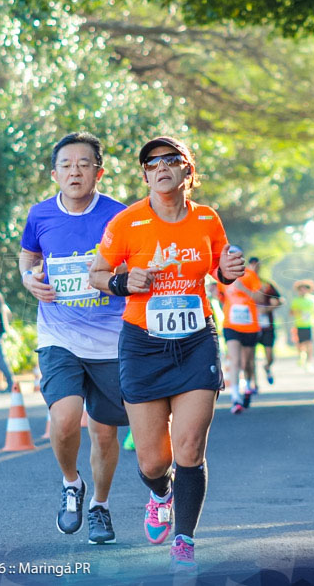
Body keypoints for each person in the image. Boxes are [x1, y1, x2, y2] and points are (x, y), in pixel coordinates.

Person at [90, 136, 244, 574]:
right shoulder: (127, 223)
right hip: (142, 343)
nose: (160, 167)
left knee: (190, 447)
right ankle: (161, 495)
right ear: (145, 175)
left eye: (171, 161)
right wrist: (124, 283)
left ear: (187, 172)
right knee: (153, 460)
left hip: (195, 340)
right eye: (151, 163)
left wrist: (230, 272)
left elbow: (221, 268)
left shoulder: (207, 220)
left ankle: (185, 538)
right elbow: (97, 274)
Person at [19, 132, 129, 545]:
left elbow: (135, 267)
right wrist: (29, 279)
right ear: (54, 173)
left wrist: (115, 283)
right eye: (66, 165)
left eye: (84, 164)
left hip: (111, 339)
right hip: (58, 334)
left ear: (99, 172)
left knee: (104, 433)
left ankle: (100, 505)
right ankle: (72, 483)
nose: (75, 172)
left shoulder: (120, 217)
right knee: (63, 421)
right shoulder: (40, 214)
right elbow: (28, 256)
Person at [218, 254, 262, 413]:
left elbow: (260, 297)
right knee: (235, 360)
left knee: (248, 363)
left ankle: (249, 385)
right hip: (231, 325)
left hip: (250, 326)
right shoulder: (221, 275)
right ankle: (235, 398)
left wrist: (243, 289)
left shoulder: (250, 275)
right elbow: (221, 296)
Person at [250, 258, 282, 385]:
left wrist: (268, 308)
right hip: (250, 325)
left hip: (267, 325)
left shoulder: (267, 284)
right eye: (252, 265)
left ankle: (267, 366)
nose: (254, 268)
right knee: (250, 357)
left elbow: (279, 300)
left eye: (256, 265)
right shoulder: (243, 283)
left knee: (270, 355)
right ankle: (254, 383)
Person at [290, 280, 314, 371]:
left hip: (311, 324)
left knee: (309, 343)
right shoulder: (296, 300)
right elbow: (291, 312)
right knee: (300, 343)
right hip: (299, 325)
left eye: (305, 288)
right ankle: (302, 356)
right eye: (301, 289)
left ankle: (309, 362)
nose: (303, 290)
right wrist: (297, 312)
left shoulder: (313, 299)